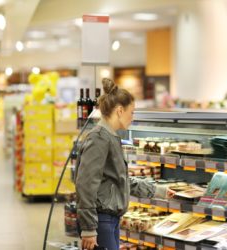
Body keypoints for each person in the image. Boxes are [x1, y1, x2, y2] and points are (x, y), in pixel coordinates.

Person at [75, 78, 175, 250]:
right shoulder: (99, 138)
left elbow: (120, 181)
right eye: (132, 112)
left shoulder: (110, 137)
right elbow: (85, 185)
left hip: (109, 220)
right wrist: (88, 229)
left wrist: (158, 191)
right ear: (120, 111)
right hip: (101, 221)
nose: (133, 117)